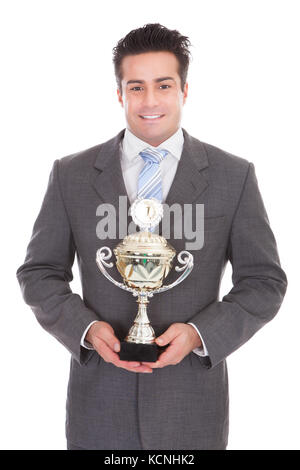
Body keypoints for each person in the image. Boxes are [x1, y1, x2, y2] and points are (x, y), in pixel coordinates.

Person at [16, 23, 287, 450]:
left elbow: (264, 283)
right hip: (99, 405)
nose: (150, 101)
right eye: (136, 87)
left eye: (163, 85)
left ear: (184, 90)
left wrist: (201, 333)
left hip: (192, 406)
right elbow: (40, 272)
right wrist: (84, 329)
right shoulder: (71, 174)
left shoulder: (234, 176)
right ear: (119, 93)